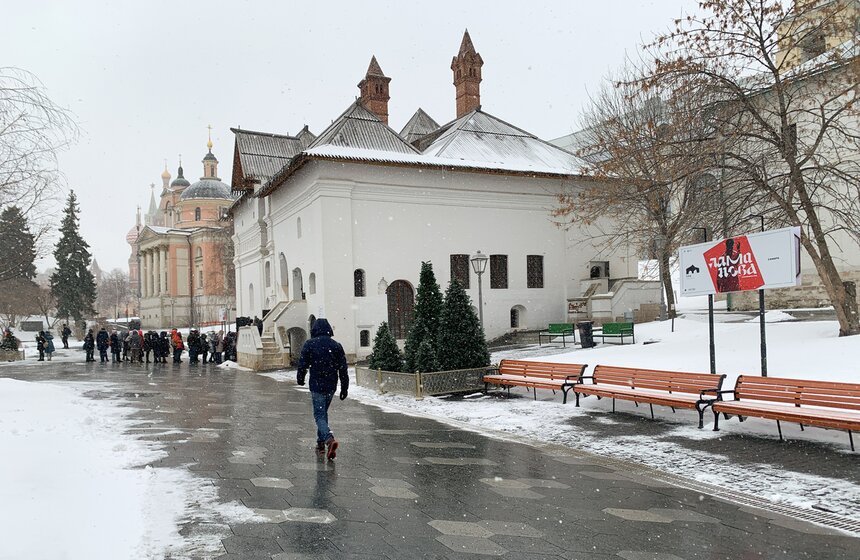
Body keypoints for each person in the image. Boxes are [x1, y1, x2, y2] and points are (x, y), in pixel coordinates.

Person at [296, 318, 349, 461]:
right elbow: (343, 368)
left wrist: (300, 377)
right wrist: (345, 387)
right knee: (323, 413)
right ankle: (320, 444)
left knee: (319, 415)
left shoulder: (310, 344)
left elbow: (303, 364)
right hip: (331, 385)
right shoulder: (336, 345)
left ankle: (328, 439)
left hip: (317, 385)